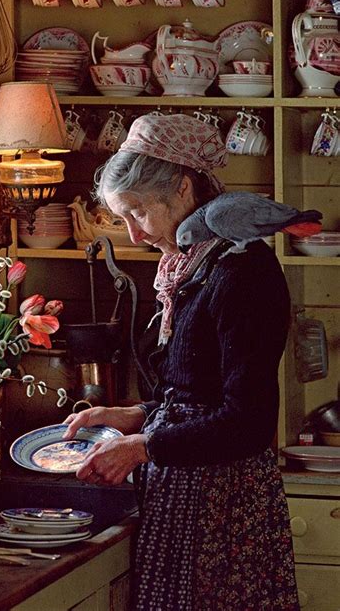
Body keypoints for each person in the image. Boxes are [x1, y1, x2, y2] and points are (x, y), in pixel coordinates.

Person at [63, 113, 299, 610]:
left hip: (222, 510)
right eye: (121, 219)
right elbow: (195, 395)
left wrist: (141, 448)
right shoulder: (189, 268)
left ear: (184, 188)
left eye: (139, 212)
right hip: (182, 499)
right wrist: (131, 416)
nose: (133, 235)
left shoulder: (242, 272)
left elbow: (248, 422)